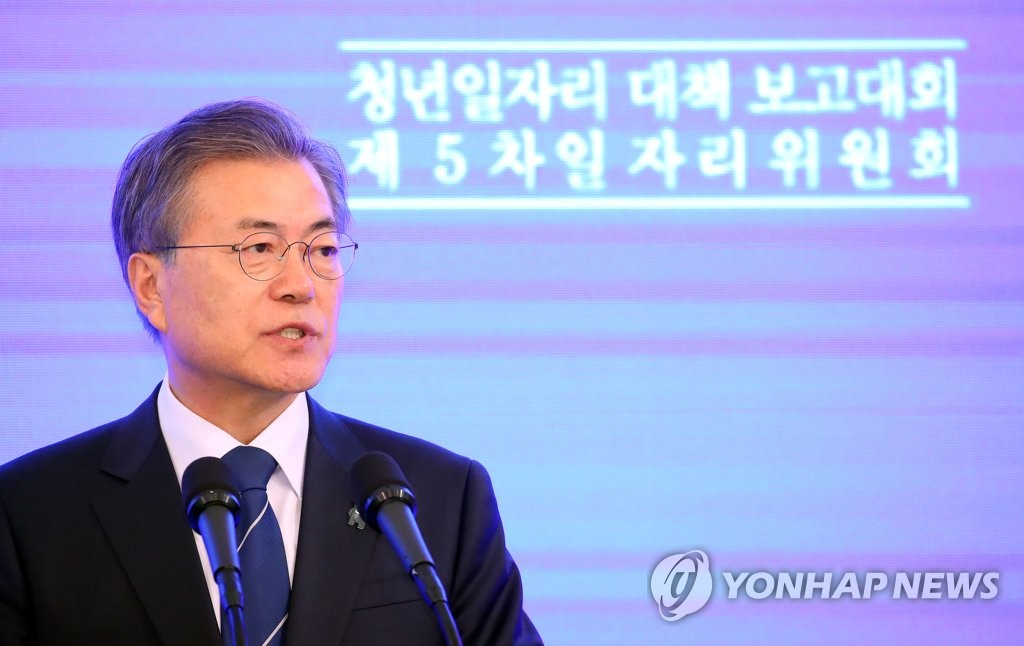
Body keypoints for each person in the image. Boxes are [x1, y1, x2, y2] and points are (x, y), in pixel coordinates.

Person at [0, 99, 541, 645]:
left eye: (322, 249)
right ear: (151, 286)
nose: (301, 285)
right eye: (259, 248)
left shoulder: (440, 498)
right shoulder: (29, 515)